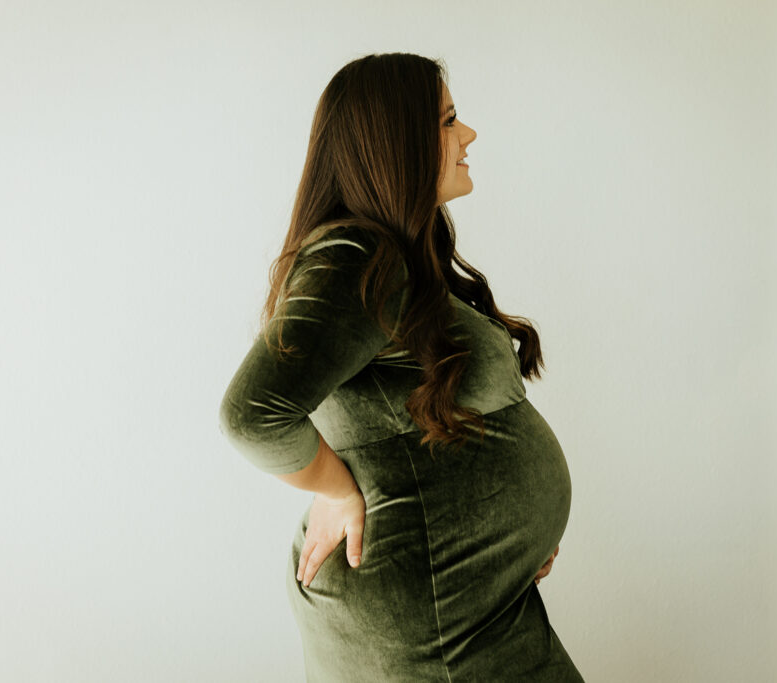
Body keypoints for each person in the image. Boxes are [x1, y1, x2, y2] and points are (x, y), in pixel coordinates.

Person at [218, 52, 583, 682]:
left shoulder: (390, 257)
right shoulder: (358, 257)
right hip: (429, 622)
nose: (466, 135)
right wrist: (333, 487)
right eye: (447, 120)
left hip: (470, 604)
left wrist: (514, 539)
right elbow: (251, 414)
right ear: (395, 143)